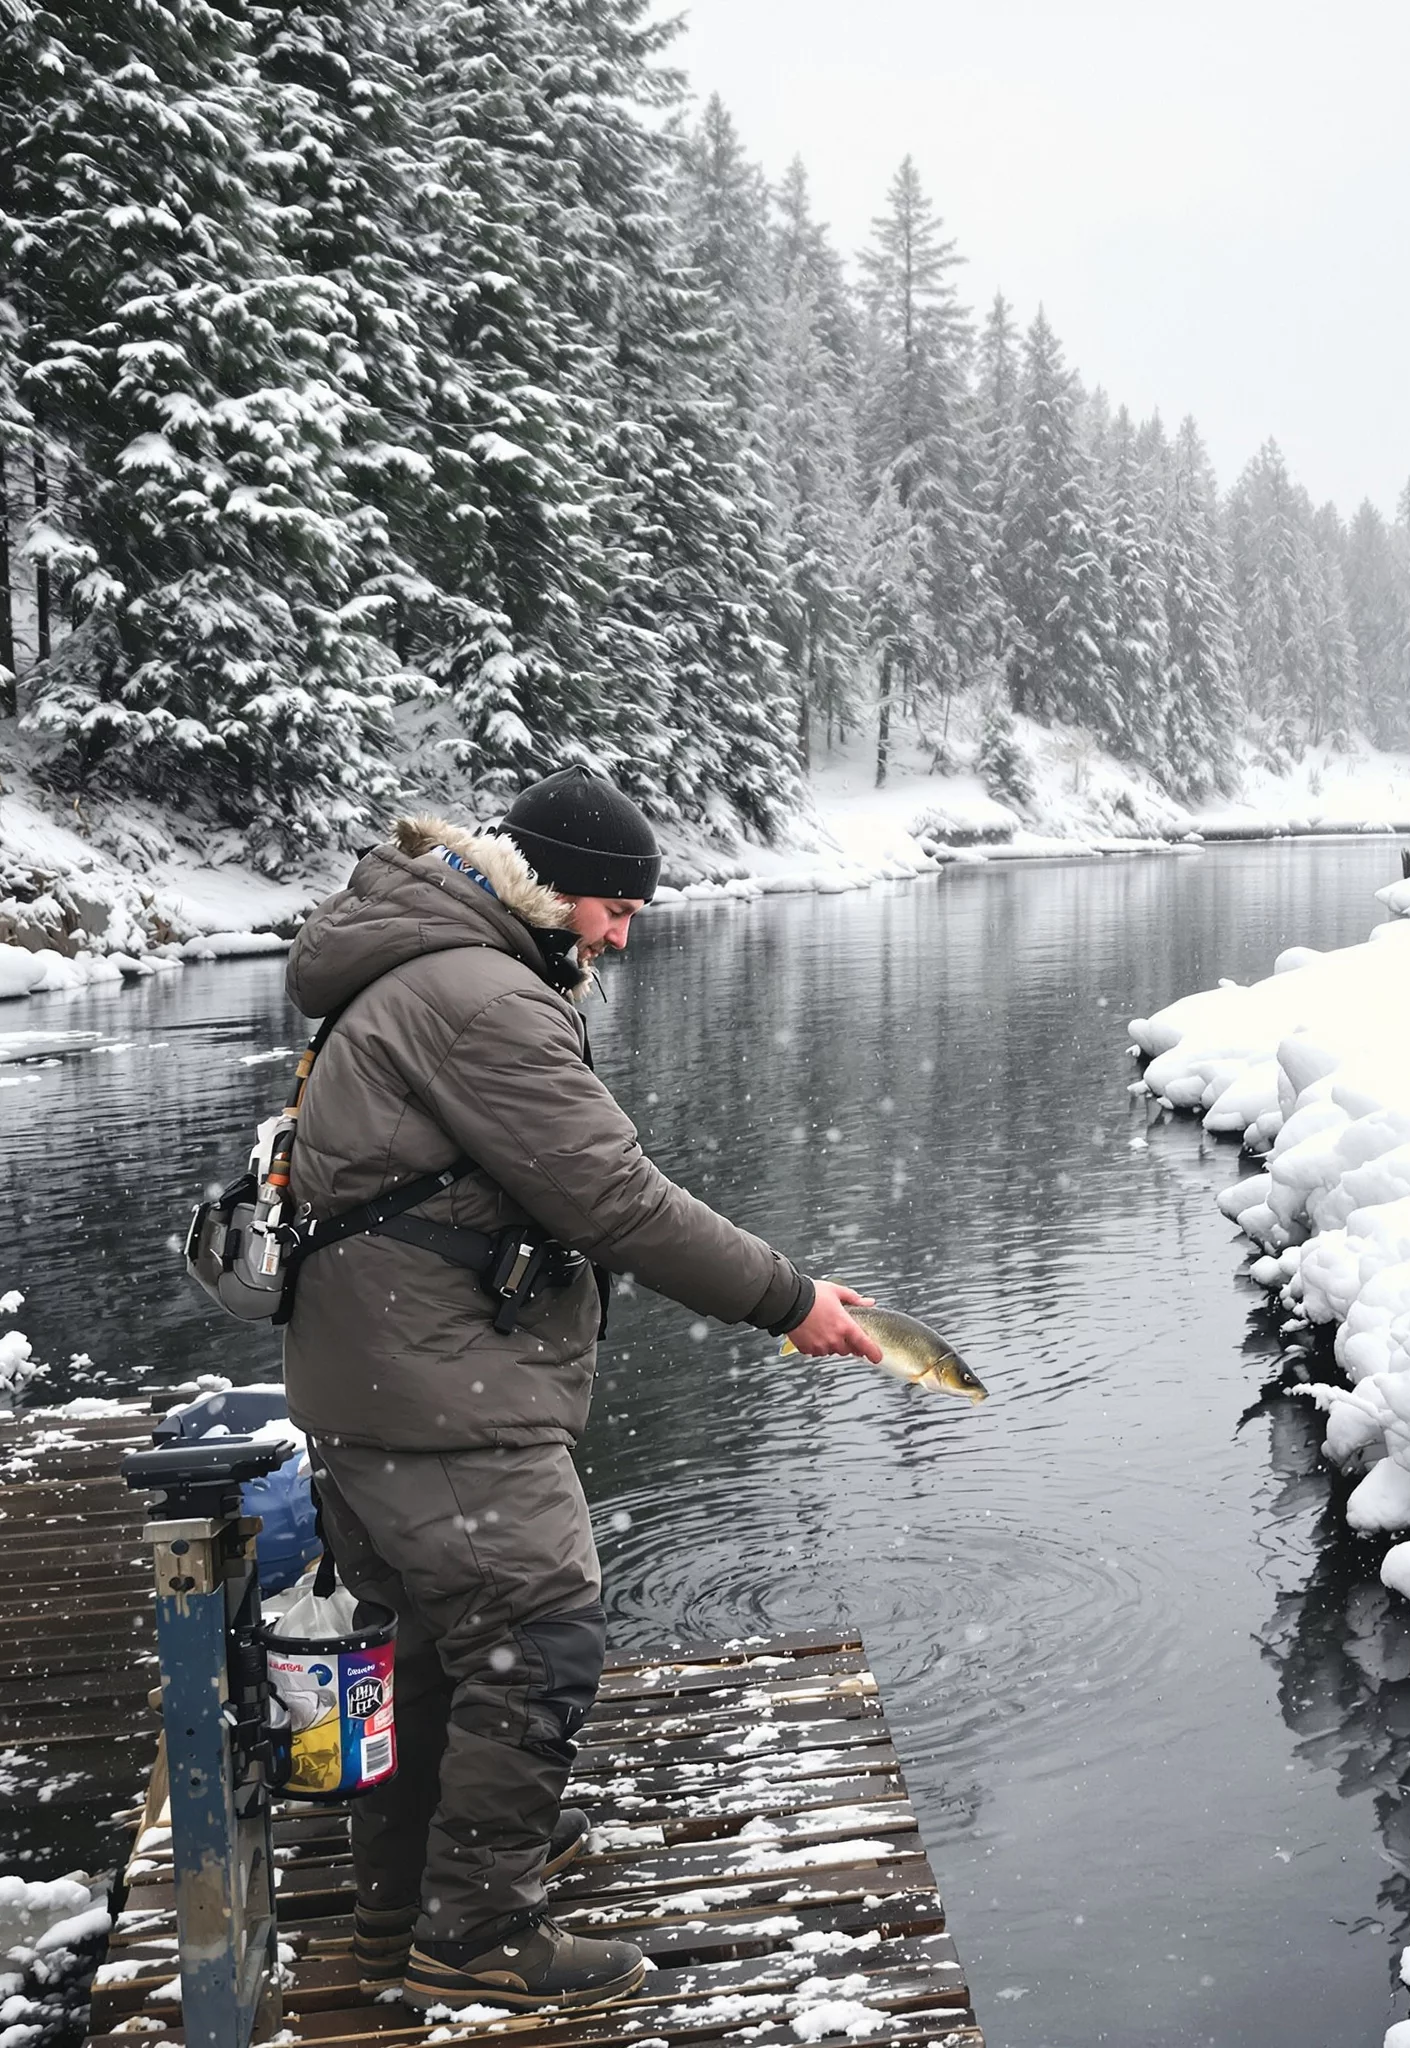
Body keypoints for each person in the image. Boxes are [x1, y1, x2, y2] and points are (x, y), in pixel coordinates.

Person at [279, 767, 881, 2013]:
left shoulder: (433, 965)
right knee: (540, 1627)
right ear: (546, 887)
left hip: (385, 1369)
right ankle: (478, 1928)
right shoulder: (477, 996)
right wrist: (791, 1297)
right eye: (613, 906)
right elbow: (613, 1198)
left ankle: (408, 1902)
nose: (621, 932)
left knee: (445, 1642)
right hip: (433, 1385)